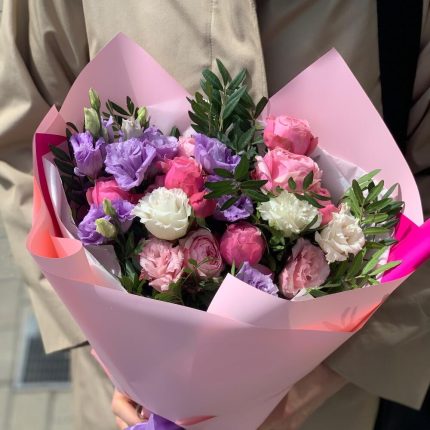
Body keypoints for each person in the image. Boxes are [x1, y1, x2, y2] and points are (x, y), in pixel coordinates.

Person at [0, 1, 429, 429]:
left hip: (321, 405)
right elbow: (24, 140)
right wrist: (104, 343)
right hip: (125, 402)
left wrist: (301, 393)